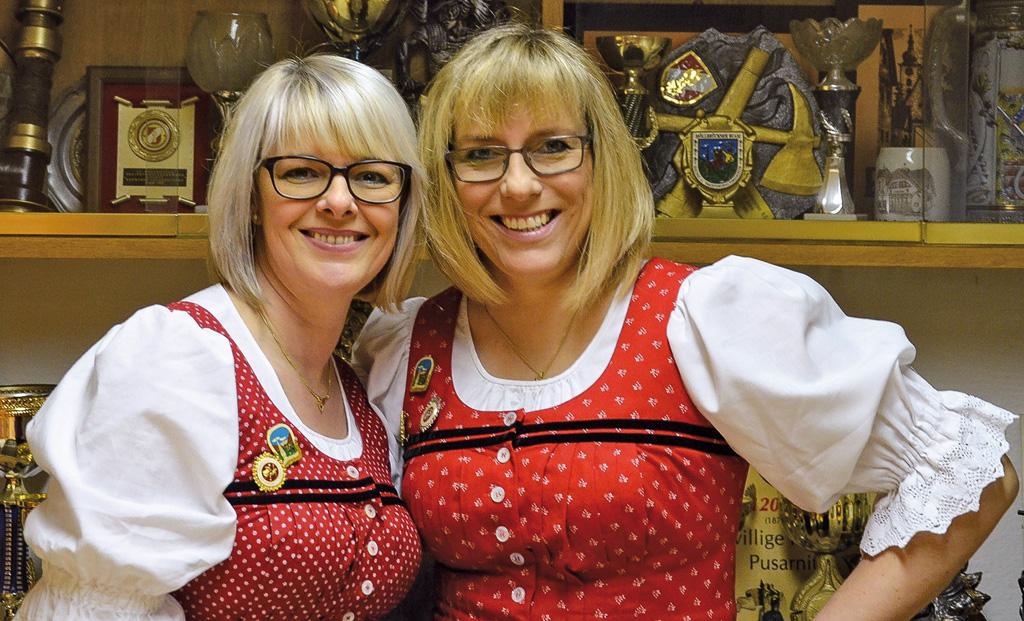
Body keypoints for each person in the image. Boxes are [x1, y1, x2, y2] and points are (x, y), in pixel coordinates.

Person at [353, 23, 1019, 620]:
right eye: (481, 154)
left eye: (553, 147)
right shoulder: (405, 348)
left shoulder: (702, 317)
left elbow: (968, 471)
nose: (519, 185)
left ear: (601, 160)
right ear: (444, 178)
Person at [18, 54, 425, 620]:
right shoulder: (179, 357)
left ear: (402, 207)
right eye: (301, 172)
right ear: (252, 198)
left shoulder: (358, 387)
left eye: (373, 176)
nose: (338, 201)